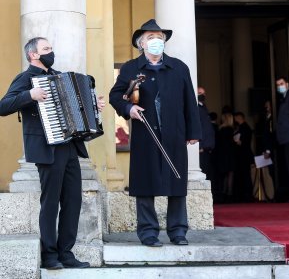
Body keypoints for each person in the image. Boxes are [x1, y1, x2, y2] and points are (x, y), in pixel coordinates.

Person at [0, 37, 105, 269]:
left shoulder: (60, 77)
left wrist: (93, 105)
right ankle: (49, 256)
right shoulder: (26, 79)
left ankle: (66, 254)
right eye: (46, 49)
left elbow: (77, 106)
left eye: (51, 48)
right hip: (47, 150)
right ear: (33, 55)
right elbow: (3, 106)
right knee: (50, 203)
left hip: (70, 147)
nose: (51, 52)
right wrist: (30, 96)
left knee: (73, 201)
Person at [109, 19, 201, 247]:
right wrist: (129, 108)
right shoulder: (131, 68)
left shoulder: (179, 67)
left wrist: (193, 131)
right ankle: (148, 233)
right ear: (141, 44)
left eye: (159, 37)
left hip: (174, 133)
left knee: (177, 184)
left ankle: (178, 231)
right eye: (151, 38)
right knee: (145, 183)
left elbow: (190, 100)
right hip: (145, 135)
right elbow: (115, 95)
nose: (156, 41)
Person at [214, 113, 235, 203]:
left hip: (222, 154)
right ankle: (229, 194)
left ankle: (223, 193)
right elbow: (231, 143)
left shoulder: (220, 129)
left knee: (224, 175)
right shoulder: (230, 129)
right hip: (230, 154)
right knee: (230, 174)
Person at [233, 112, 254, 202]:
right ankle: (244, 194)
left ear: (239, 118)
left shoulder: (245, 128)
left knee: (245, 174)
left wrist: (239, 142)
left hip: (244, 155)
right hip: (242, 154)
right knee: (243, 174)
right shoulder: (242, 127)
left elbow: (244, 142)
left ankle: (247, 194)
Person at [197, 87, 215, 180]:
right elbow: (196, 127)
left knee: (207, 172)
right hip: (201, 148)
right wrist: (199, 146)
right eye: (200, 93)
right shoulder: (196, 108)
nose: (202, 95)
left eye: (204, 93)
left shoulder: (204, 107)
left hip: (207, 147)